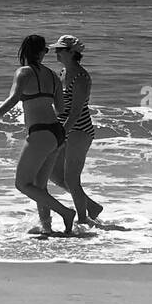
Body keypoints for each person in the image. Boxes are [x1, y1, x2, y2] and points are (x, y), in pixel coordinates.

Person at [0, 34, 76, 235]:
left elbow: (13, 99)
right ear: (43, 52)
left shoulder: (23, 72)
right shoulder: (53, 76)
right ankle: (46, 228)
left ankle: (66, 213)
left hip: (39, 133)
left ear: (24, 52)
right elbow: (60, 109)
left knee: (22, 184)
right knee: (40, 186)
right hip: (57, 133)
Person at [43, 34, 104, 227]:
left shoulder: (80, 77)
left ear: (71, 52)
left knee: (71, 177)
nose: (56, 53)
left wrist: (62, 132)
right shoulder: (62, 73)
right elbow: (60, 106)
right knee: (53, 174)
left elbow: (76, 112)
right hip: (63, 127)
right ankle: (92, 207)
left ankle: (83, 218)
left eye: (60, 50)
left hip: (79, 129)